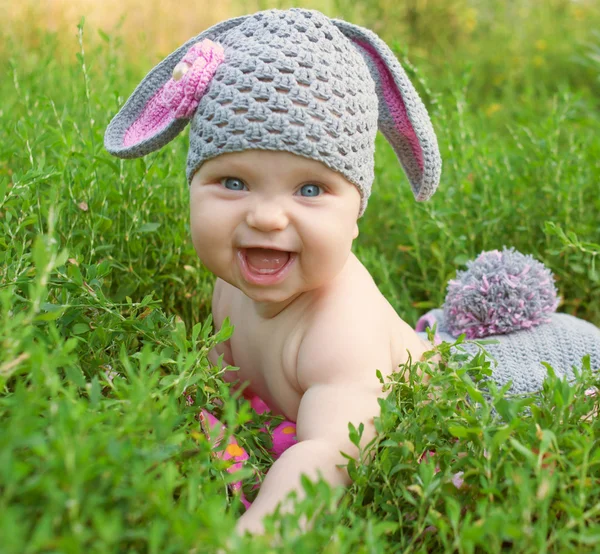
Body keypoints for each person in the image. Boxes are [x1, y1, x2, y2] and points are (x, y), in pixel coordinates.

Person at [104, 7, 600, 536]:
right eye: (232, 182)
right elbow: (219, 373)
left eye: (310, 189)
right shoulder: (229, 284)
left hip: (483, 389)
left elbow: (329, 457)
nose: (266, 216)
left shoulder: (339, 327)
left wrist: (251, 540)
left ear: (356, 213)